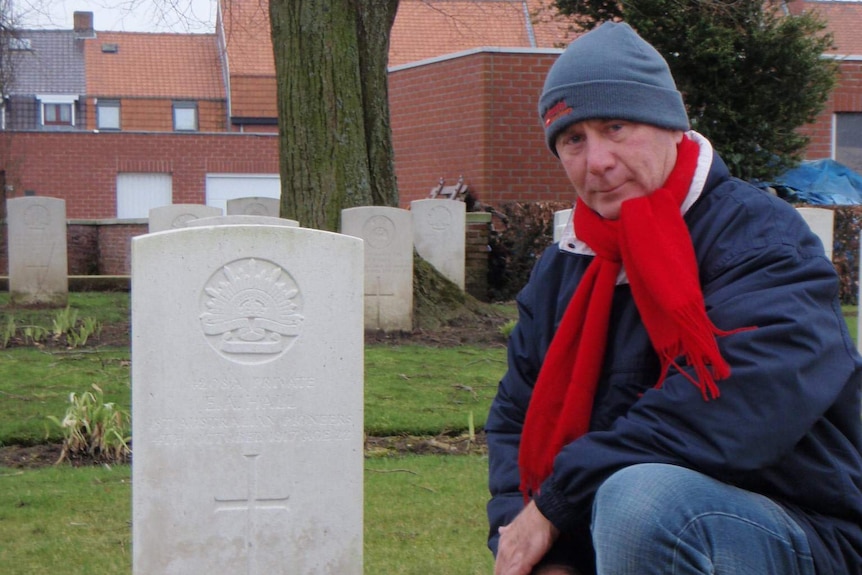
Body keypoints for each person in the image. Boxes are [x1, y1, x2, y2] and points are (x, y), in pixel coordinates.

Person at [486, 21, 862, 575]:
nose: (597, 161)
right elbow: (516, 416)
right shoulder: (565, 266)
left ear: (672, 124)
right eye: (573, 140)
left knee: (644, 502)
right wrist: (544, 548)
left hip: (799, 528)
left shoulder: (760, 239)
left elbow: (736, 409)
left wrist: (557, 502)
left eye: (616, 127)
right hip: (607, 533)